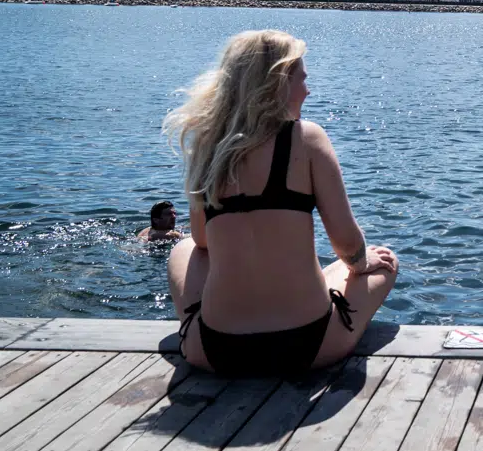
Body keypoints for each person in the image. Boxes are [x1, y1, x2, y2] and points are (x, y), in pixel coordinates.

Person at [163, 30, 399, 377]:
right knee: (383, 264)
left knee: (184, 248)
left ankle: (198, 327)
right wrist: (360, 263)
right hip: (308, 346)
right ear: (277, 84)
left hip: (216, 351)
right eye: (302, 79)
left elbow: (202, 241)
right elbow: (347, 243)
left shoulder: (209, 147)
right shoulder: (307, 140)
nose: (308, 90)